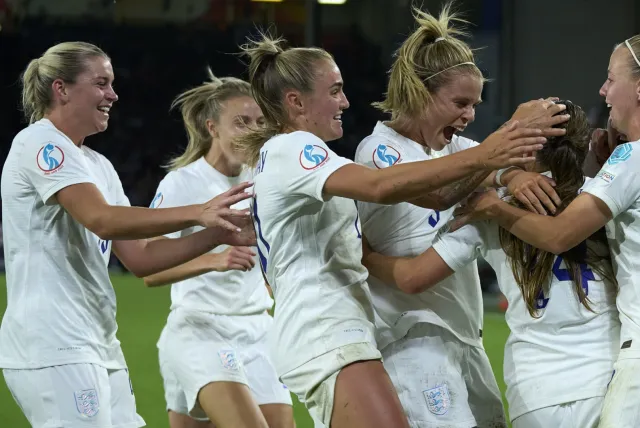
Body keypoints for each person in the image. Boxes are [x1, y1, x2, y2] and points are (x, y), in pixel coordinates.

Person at [235, 31, 547, 428]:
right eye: (334, 91)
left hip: (341, 328)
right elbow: (382, 187)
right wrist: (488, 158)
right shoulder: (292, 147)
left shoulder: (295, 156)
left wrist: (504, 170)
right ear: (295, 102)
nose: (345, 102)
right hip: (325, 329)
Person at [451, 33, 640, 428]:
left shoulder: (634, 156)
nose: (603, 90)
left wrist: (494, 206)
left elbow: (559, 236)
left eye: (611, 78)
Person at [0, 42, 255, 428]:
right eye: (101, 83)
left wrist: (222, 232)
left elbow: (140, 258)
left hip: (98, 343)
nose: (113, 94)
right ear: (61, 89)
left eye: (112, 84)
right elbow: (101, 219)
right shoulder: (39, 143)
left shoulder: (97, 164)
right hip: (52, 343)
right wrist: (198, 214)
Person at [353, 4, 567, 427]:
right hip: (410, 336)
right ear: (419, 92)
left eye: (475, 104)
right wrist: (506, 141)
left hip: (463, 335)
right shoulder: (379, 151)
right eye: (460, 102)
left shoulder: (459, 149)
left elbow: (492, 166)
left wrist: (516, 176)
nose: (469, 114)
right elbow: (437, 193)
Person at [362, 101, 620, 428]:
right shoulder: (604, 199)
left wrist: (362, 252)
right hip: (608, 379)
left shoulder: (487, 207)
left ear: (523, 148)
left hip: (536, 391)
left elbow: (413, 278)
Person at [143, 69, 295, 428]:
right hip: (201, 328)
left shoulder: (266, 180)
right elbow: (150, 272)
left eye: (260, 121)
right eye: (240, 122)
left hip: (259, 330)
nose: (253, 130)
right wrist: (212, 260)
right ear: (212, 128)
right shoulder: (183, 183)